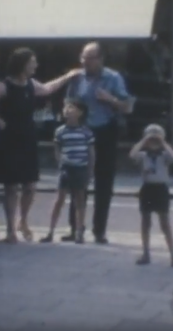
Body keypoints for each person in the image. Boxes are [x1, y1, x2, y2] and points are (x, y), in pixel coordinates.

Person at [0, 47, 79, 244]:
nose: (36, 65)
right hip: (7, 138)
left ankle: (23, 220)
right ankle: (10, 230)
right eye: (32, 62)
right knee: (11, 186)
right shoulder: (4, 86)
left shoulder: (31, 84)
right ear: (22, 64)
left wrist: (68, 76)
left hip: (27, 137)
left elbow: (48, 88)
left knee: (30, 184)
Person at [61, 42, 133, 245]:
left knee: (103, 181)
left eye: (90, 58)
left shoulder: (113, 78)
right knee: (77, 180)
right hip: (81, 132)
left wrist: (110, 99)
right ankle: (76, 228)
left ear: (101, 59)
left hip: (104, 132)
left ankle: (99, 230)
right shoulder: (76, 77)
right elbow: (67, 102)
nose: (85, 62)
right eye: (83, 57)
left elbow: (127, 107)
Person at [40, 99, 94, 244]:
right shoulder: (60, 131)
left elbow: (91, 152)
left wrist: (90, 171)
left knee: (80, 200)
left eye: (72, 108)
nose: (67, 110)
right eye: (66, 107)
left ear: (80, 113)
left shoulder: (86, 132)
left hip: (81, 168)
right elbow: (57, 149)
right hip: (67, 168)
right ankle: (50, 231)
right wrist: (61, 163)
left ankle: (79, 232)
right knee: (59, 199)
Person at [129, 124, 173, 269]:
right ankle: (145, 252)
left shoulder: (164, 155)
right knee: (146, 222)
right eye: (151, 140)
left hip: (161, 189)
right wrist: (143, 141)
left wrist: (163, 142)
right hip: (147, 188)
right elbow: (132, 154)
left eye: (156, 139)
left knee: (165, 224)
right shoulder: (143, 155)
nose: (153, 142)